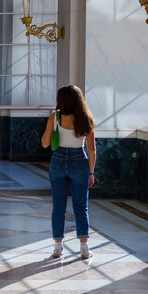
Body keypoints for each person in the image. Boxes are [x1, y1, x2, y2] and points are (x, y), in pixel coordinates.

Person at [40, 84, 96, 259]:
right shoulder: (86, 118)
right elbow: (92, 149)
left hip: (58, 161)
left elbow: (44, 143)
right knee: (81, 207)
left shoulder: (55, 117)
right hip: (80, 162)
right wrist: (91, 172)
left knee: (59, 207)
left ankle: (58, 247)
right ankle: (84, 248)